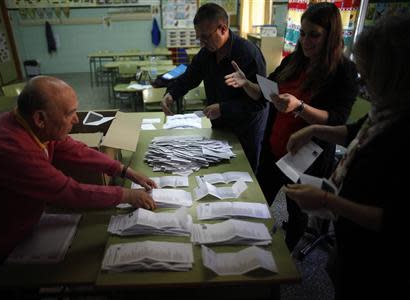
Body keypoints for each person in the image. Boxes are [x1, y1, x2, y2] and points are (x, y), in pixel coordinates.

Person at [0, 76, 157, 285]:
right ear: (40, 118)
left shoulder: (30, 126)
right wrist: (126, 194)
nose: (77, 120)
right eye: (70, 113)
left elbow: (76, 151)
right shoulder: (11, 149)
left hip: (19, 218)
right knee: (15, 284)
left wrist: (123, 170)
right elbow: (69, 192)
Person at [284, 13, 410, 299]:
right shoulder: (387, 110)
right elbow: (354, 131)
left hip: (380, 259)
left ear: (395, 75)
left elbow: (395, 219)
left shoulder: (403, 129)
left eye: (370, 74)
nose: (364, 82)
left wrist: (328, 201)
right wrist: (314, 129)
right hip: (351, 242)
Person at [225, 2, 358, 251]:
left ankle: (288, 256)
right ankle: (249, 243)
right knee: (259, 200)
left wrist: (300, 107)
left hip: (306, 156)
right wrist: (246, 84)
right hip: (274, 148)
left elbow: (337, 120)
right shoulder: (295, 60)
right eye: (303, 33)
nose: (306, 41)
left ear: (331, 35)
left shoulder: (344, 71)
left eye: (314, 35)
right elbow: (268, 94)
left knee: (297, 211)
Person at [161, 3, 269, 173]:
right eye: (199, 38)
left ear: (223, 29)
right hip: (220, 128)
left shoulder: (249, 54)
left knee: (245, 178)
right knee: (219, 174)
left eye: (205, 37)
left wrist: (223, 108)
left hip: (246, 132)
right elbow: (190, 77)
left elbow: (261, 102)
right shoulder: (207, 53)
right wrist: (171, 93)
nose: (202, 42)